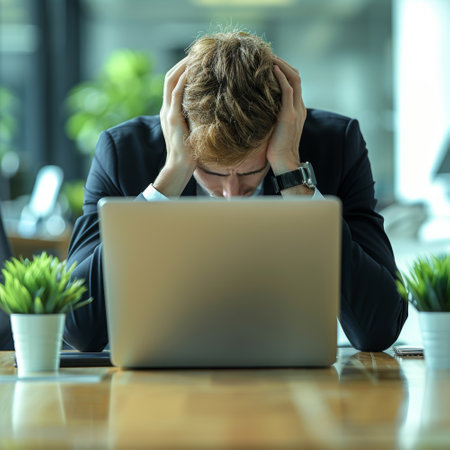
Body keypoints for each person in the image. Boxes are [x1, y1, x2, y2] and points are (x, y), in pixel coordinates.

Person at [64, 31, 408, 352]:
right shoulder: (123, 152)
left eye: (251, 172)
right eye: (211, 172)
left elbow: (378, 328)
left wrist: (291, 174)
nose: (230, 193)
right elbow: (79, 329)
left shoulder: (336, 144)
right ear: (179, 129)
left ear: (281, 130)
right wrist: (168, 181)